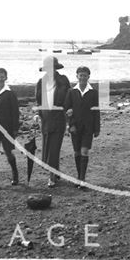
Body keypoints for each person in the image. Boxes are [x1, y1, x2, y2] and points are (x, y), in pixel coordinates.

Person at [35, 55, 70, 188]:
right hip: (45, 119)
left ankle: (52, 177)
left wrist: (69, 114)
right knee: (47, 146)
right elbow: (38, 100)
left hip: (59, 117)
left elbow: (69, 97)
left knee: (54, 148)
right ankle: (57, 172)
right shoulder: (41, 82)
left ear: (55, 67)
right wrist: (39, 115)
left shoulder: (63, 80)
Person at [64, 66, 100, 189]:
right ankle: (79, 177)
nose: (83, 77)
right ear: (77, 76)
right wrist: (70, 125)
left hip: (88, 127)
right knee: (76, 152)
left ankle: (82, 179)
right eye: (81, 75)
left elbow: (96, 111)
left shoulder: (93, 92)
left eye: (85, 75)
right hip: (75, 127)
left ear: (88, 77)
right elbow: (67, 110)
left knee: (84, 151)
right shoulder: (71, 92)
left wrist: (97, 128)